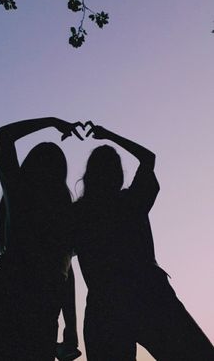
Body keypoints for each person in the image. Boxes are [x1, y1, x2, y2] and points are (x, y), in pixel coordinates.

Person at [74, 121, 214, 361]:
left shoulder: (79, 214)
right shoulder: (131, 203)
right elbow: (148, 158)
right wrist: (109, 135)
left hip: (105, 307)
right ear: (118, 175)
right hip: (148, 294)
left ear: (89, 176)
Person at [0, 117, 83, 361]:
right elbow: (66, 272)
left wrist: (52, 122)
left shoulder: (20, 195)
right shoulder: (61, 216)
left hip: (8, 303)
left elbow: (4, 134)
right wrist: (71, 328)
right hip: (38, 310)